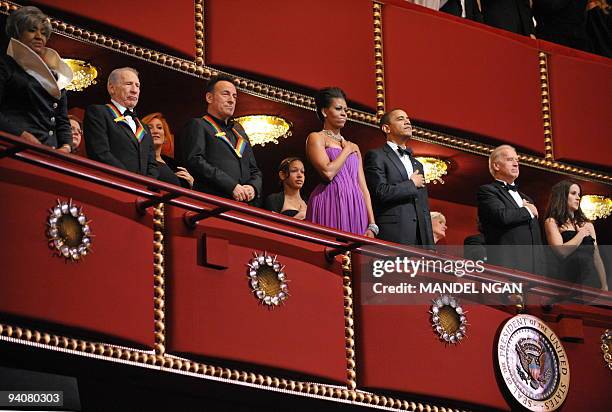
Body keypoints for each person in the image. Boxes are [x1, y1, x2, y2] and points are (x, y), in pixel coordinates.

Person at [177, 75, 262, 205]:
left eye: (234, 96)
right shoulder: (198, 125)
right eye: (225, 94)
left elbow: (255, 170)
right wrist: (231, 186)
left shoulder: (239, 132)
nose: (231, 100)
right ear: (209, 97)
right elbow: (195, 161)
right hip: (212, 204)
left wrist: (253, 188)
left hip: (244, 206)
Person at [305, 87, 376, 237]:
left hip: (356, 205)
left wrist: (372, 224)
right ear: (324, 112)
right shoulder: (317, 138)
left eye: (345, 110)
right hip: (329, 200)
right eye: (338, 109)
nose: (344, 113)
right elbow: (328, 172)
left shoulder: (354, 147)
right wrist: (346, 150)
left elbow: (363, 186)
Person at [0, 6, 72, 152]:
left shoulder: (56, 74)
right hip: (13, 149)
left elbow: (62, 120)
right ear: (17, 32)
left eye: (44, 33)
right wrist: (20, 135)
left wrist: (66, 146)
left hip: (49, 155)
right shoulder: (5, 65)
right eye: (32, 30)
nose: (39, 36)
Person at [364, 109, 434, 247]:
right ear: (386, 128)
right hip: (394, 235)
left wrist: (429, 244)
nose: (407, 121)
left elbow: (423, 206)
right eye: (400, 119)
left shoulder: (417, 163)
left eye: (408, 118)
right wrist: (411, 184)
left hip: (420, 241)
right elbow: (380, 192)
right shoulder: (376, 155)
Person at [477, 144, 544, 274]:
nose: (516, 164)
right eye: (510, 160)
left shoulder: (527, 199)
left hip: (535, 271)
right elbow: (501, 216)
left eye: (517, 160)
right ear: (496, 166)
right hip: (507, 266)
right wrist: (528, 211)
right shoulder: (487, 191)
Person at [84, 67, 158, 178]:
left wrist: (147, 184)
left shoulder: (144, 127)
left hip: (142, 191)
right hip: (112, 185)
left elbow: (152, 164)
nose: (134, 90)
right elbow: (100, 153)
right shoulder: (98, 113)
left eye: (137, 86)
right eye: (128, 84)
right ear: (111, 88)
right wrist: (130, 179)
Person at [544, 180, 608, 290]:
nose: (578, 198)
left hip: (591, 281)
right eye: (573, 193)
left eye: (579, 194)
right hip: (567, 282)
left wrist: (604, 285)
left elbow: (596, 256)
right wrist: (581, 234)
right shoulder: (552, 222)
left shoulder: (588, 225)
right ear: (562, 196)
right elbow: (561, 252)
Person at [142, 112, 193, 188]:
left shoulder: (175, 166)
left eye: (159, 128)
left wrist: (190, 185)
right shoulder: (140, 160)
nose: (155, 131)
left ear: (165, 137)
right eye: (149, 128)